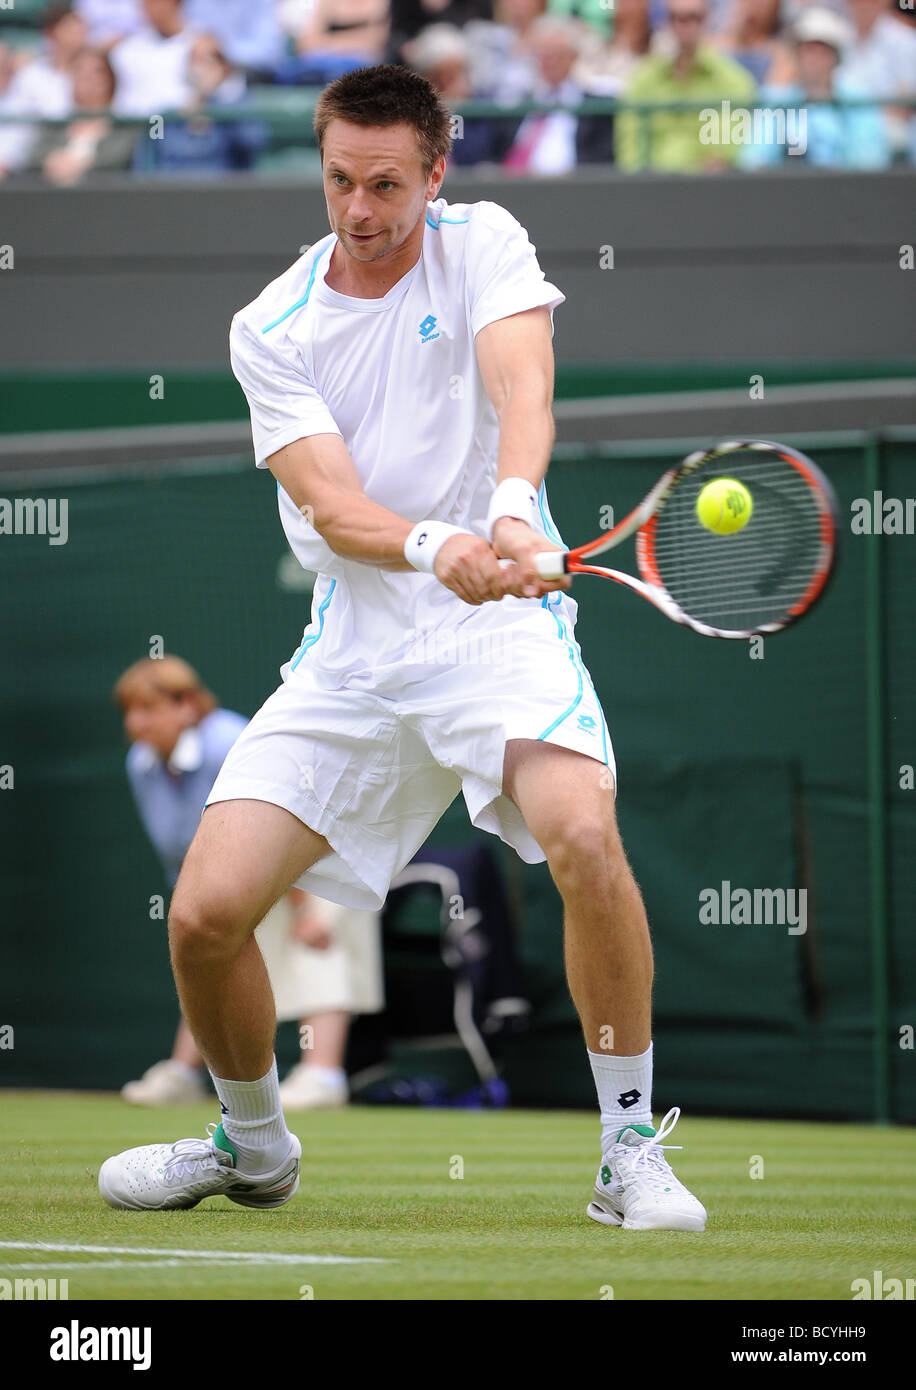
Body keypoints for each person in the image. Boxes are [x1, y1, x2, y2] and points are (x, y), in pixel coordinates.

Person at [98, 63, 707, 1235]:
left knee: (583, 832)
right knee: (203, 916)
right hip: (356, 651)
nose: (360, 209)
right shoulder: (271, 325)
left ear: (435, 171)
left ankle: (626, 1149)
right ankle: (255, 1144)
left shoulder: (484, 240)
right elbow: (332, 508)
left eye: (386, 183)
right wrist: (437, 543)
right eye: (338, 180)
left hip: (498, 639)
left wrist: (516, 507)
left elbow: (519, 381)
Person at [114, 655, 383, 1110]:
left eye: (149, 708)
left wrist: (304, 911)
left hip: (321, 852)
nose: (136, 723)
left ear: (185, 707)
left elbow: (279, 818)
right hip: (243, 864)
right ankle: (185, 1073)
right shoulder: (140, 763)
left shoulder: (227, 743)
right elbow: (180, 847)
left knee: (319, 941)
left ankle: (323, 1074)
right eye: (130, 711)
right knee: (210, 947)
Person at [741, 6, 890, 169]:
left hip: (845, 190)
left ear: (835, 56)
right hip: (789, 190)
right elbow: (756, 159)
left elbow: (869, 161)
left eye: (822, 51)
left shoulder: (857, 101)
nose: (814, 59)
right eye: (808, 50)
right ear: (796, 55)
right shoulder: (777, 101)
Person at [616, 0, 756, 170]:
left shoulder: (733, 80)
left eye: (693, 17)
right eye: (676, 17)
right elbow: (630, 149)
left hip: (708, 188)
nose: (684, 26)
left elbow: (725, 154)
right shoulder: (643, 79)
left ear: (707, 20)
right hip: (650, 187)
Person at [29, 47, 137, 184]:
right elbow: (35, 155)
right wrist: (52, 160)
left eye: (97, 71)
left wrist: (81, 164)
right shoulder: (55, 124)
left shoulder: (124, 125)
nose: (87, 77)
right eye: (79, 70)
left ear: (110, 78)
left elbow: (121, 158)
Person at [109, 0, 196, 115]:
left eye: (154, 2)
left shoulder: (200, 44)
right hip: (132, 125)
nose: (147, 7)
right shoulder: (125, 49)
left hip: (177, 125)